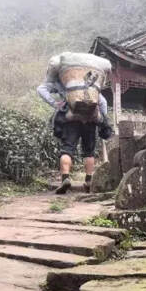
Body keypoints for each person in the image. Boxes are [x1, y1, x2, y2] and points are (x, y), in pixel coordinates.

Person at [37, 62, 113, 194]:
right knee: (89, 152)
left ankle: (65, 179)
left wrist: (55, 104)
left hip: (71, 119)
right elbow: (103, 102)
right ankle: (89, 181)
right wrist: (102, 118)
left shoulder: (64, 82)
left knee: (67, 149)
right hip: (90, 119)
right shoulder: (91, 86)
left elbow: (41, 89)